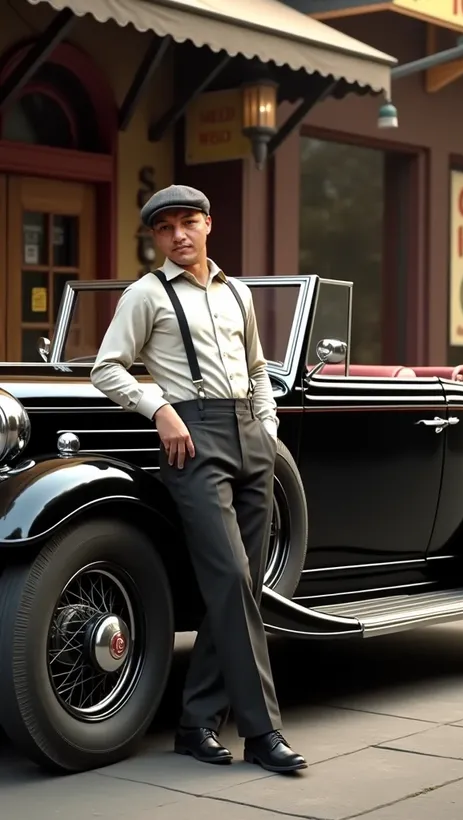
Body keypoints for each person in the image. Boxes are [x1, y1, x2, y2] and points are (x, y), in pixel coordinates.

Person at [90, 184, 307, 774]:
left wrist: (267, 427)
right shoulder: (146, 294)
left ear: (209, 224)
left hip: (249, 438)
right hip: (191, 437)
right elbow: (105, 367)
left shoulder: (237, 292)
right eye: (165, 229)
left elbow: (260, 368)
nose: (179, 235)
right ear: (155, 237)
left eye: (188, 222)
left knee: (239, 588)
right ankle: (262, 733)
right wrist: (158, 408)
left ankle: (195, 724)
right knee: (233, 576)